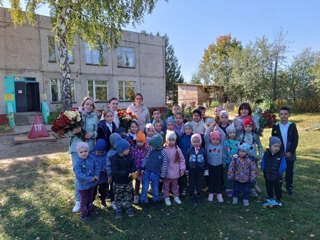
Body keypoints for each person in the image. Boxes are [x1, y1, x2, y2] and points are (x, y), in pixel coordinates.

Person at [69, 96, 98, 213]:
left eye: (91, 105)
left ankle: (89, 200)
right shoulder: (75, 116)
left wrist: (93, 134)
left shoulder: (95, 117)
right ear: (83, 105)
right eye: (87, 104)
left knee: (90, 173)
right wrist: (73, 132)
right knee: (79, 175)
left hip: (90, 149)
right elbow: (66, 133)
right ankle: (78, 201)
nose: (89, 106)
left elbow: (97, 132)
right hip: (77, 150)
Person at [271, 106, 299, 195]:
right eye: (281, 114)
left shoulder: (292, 125)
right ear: (279, 115)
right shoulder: (275, 126)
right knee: (278, 169)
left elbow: (295, 139)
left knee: (289, 170)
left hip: (290, 151)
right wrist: (278, 151)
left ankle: (289, 186)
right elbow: (273, 139)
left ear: (289, 115)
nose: (283, 116)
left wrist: (290, 151)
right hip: (279, 151)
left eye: (285, 114)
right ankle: (278, 185)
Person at [110, 139, 137, 219]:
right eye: (128, 149)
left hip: (128, 181)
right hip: (119, 182)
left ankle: (128, 206)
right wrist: (126, 174)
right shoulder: (114, 159)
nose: (129, 150)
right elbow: (115, 171)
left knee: (128, 194)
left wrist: (133, 171)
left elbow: (133, 165)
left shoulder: (129, 157)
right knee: (118, 196)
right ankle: (118, 208)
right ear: (122, 150)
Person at [140, 134, 168, 210]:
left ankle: (155, 200)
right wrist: (142, 167)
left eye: (152, 145)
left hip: (156, 174)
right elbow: (146, 158)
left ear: (157, 145)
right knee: (145, 187)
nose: (150, 146)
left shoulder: (163, 153)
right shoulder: (150, 150)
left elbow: (165, 165)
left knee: (155, 188)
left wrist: (162, 176)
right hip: (147, 172)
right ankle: (143, 201)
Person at [73, 142, 99, 221]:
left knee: (90, 197)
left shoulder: (92, 158)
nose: (84, 153)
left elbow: (97, 166)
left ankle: (89, 210)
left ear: (88, 151)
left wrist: (96, 175)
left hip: (92, 184)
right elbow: (79, 175)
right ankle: (84, 214)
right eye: (81, 152)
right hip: (83, 186)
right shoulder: (77, 162)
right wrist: (90, 178)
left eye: (85, 151)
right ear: (78, 152)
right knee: (84, 199)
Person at [238, 116, 263, 197]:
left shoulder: (255, 136)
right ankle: (244, 188)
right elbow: (238, 146)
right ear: (243, 127)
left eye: (249, 126)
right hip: (243, 158)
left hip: (253, 157)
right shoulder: (241, 136)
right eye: (246, 126)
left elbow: (260, 146)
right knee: (244, 172)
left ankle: (253, 187)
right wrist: (239, 155)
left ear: (252, 127)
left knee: (253, 172)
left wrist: (260, 154)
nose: (248, 128)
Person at [261, 136, 286, 207]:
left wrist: (280, 171)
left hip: (277, 176)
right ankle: (270, 197)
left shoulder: (281, 155)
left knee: (278, 188)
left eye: (278, 146)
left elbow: (283, 164)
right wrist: (263, 168)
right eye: (275, 146)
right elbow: (263, 161)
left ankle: (278, 199)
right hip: (268, 175)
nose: (277, 148)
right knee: (269, 187)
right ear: (270, 146)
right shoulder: (267, 154)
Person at [163, 131, 186, 206]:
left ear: (175, 140)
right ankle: (166, 197)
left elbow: (182, 159)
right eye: (169, 139)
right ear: (166, 140)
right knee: (166, 185)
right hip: (166, 171)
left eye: (173, 140)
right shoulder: (163, 149)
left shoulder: (177, 149)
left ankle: (176, 196)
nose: (171, 141)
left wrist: (182, 169)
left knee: (175, 185)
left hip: (175, 171)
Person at [129, 131, 151, 204]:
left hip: (144, 170)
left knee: (145, 183)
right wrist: (135, 169)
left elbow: (148, 159)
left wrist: (145, 168)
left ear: (144, 141)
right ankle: (136, 195)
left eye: (141, 141)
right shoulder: (134, 149)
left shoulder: (147, 149)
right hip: (137, 169)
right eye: (138, 141)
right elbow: (132, 158)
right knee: (137, 183)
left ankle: (144, 196)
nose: (139, 143)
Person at [205, 125, 224, 203]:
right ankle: (211, 193)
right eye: (213, 139)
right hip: (210, 165)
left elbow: (223, 135)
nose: (215, 141)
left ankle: (219, 193)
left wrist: (218, 127)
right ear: (210, 139)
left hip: (219, 165)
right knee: (211, 179)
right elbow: (206, 135)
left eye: (217, 139)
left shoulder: (221, 145)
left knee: (218, 179)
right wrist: (211, 127)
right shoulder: (208, 144)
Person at [186, 133, 207, 204]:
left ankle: (199, 193)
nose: (196, 143)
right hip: (192, 170)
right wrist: (186, 169)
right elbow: (187, 160)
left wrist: (206, 169)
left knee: (199, 182)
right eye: (194, 142)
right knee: (191, 182)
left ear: (200, 142)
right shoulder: (189, 150)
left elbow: (206, 160)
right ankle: (191, 194)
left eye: (197, 142)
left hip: (200, 170)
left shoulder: (203, 151)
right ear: (191, 142)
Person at [106, 133, 122, 210]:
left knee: (120, 187)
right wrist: (109, 175)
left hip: (121, 174)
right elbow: (108, 165)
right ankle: (113, 201)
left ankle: (120, 200)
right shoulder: (110, 153)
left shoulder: (121, 150)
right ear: (112, 144)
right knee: (113, 188)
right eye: (116, 143)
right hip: (113, 175)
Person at [223, 124, 239, 197]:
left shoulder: (238, 142)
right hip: (227, 162)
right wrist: (223, 161)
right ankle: (228, 188)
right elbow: (224, 152)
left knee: (234, 175)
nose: (232, 134)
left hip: (236, 162)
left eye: (234, 133)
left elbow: (239, 151)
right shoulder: (226, 142)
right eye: (230, 133)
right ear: (228, 134)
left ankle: (234, 188)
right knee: (227, 175)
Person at [92, 139, 109, 208]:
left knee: (103, 191)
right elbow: (90, 164)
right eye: (97, 152)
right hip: (95, 178)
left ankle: (103, 201)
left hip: (103, 178)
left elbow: (108, 164)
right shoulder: (92, 155)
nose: (99, 153)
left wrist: (105, 169)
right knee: (93, 191)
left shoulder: (106, 156)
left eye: (101, 152)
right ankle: (91, 201)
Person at [178, 122, 193, 195]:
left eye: (189, 129)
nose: (188, 130)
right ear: (184, 130)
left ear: (191, 130)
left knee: (191, 174)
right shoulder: (182, 138)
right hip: (183, 158)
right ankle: (184, 187)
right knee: (183, 174)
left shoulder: (193, 137)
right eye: (186, 129)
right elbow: (179, 148)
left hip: (192, 159)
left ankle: (191, 187)